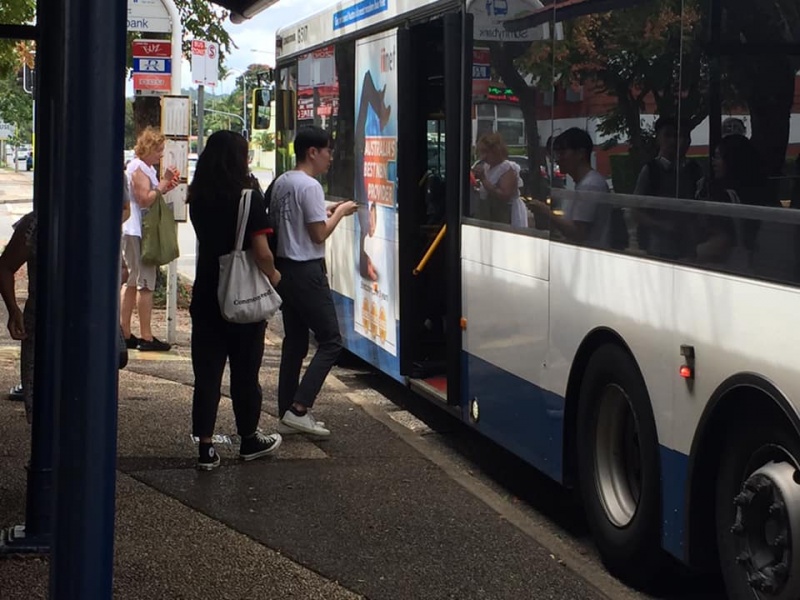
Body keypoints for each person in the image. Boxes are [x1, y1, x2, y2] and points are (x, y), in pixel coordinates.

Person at [188, 130, 283, 471]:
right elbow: (262, 252)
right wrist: (275, 277)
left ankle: (205, 448)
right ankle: (248, 439)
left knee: (207, 374)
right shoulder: (248, 198)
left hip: (206, 293)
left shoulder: (197, 196)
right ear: (239, 158)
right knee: (245, 372)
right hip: (241, 296)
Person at [270, 125, 357, 437]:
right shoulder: (310, 186)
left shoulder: (283, 181)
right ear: (312, 152)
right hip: (307, 271)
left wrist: (326, 211)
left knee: (294, 341)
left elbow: (292, 220)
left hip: (284, 270)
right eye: (328, 151)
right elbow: (318, 234)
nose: (330, 157)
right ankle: (299, 407)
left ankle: (286, 411)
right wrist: (340, 213)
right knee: (331, 341)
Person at [121, 127, 179, 352]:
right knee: (144, 282)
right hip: (137, 230)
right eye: (158, 150)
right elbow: (144, 199)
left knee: (133, 280)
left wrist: (162, 187)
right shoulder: (138, 168)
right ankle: (145, 335)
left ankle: (125, 331)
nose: (160, 155)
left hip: (135, 230)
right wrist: (163, 183)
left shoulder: (143, 168)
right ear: (147, 148)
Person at [633, 117, 703, 258]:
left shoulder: (693, 169)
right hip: (658, 247)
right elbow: (635, 210)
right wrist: (661, 225)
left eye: (678, 136)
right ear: (658, 139)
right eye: (668, 135)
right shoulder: (651, 170)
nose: (673, 141)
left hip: (689, 245)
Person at [529, 127, 611, 245]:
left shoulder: (590, 186)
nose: (557, 160)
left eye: (562, 153)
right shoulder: (584, 184)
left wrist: (545, 211)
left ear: (580, 153)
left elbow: (578, 233)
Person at [473, 132, 528, 228]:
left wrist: (484, 180)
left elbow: (505, 195)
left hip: (506, 214)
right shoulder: (487, 167)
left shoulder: (506, 168)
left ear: (496, 151)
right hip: (492, 213)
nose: (483, 156)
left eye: (486, 152)